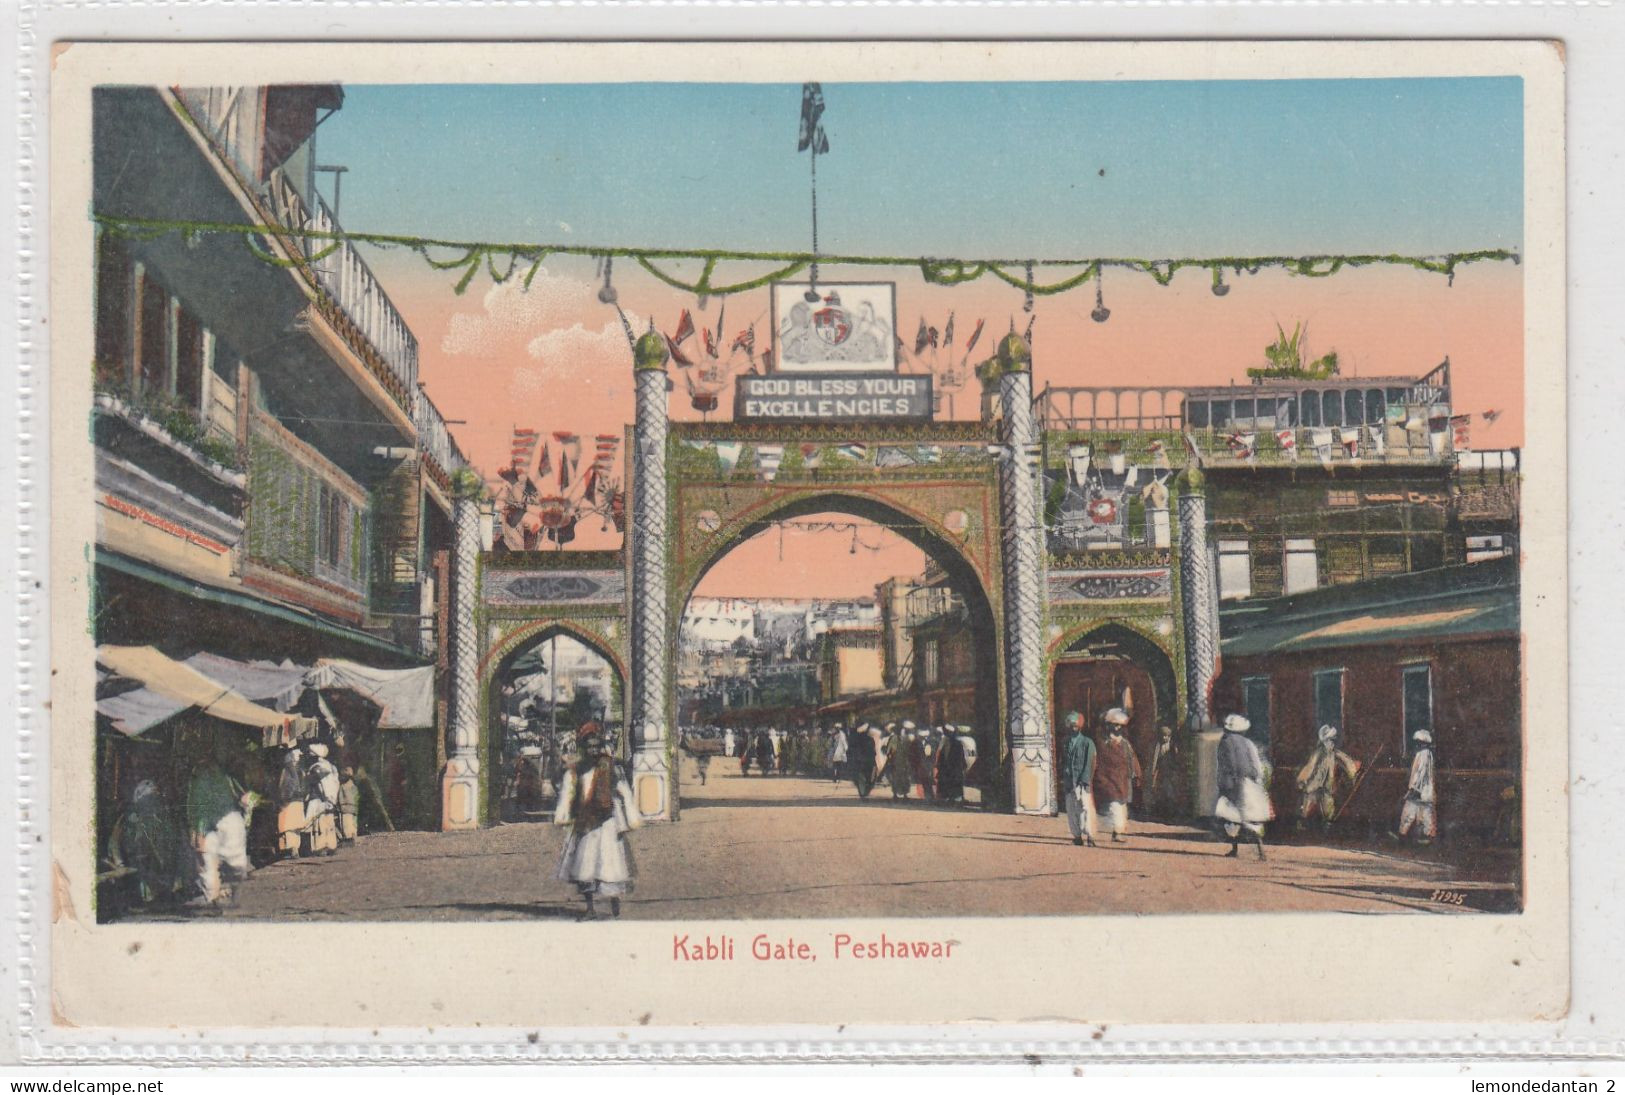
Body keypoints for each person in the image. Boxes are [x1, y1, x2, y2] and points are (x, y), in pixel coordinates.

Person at [553, 722, 638, 920]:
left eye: (595, 746)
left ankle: (613, 898)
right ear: (583, 747)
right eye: (588, 746)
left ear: (600, 746)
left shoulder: (610, 765)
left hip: (607, 822)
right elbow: (569, 792)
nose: (592, 749)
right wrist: (563, 814)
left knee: (609, 865)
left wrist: (629, 818)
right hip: (585, 822)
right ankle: (590, 909)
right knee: (585, 866)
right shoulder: (578, 768)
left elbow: (623, 791)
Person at [185, 755, 253, 911]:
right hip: (232, 820)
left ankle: (213, 899)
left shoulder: (199, 779)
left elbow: (200, 807)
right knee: (233, 862)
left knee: (207, 863)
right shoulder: (225, 776)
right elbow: (245, 798)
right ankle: (234, 896)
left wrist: (199, 831)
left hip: (211, 825)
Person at [110, 779, 178, 906]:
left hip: (150, 866)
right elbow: (116, 840)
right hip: (139, 864)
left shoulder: (162, 817)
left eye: (154, 798)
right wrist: (119, 863)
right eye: (149, 798)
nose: (151, 803)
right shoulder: (130, 817)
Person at [1214, 714, 1271, 860]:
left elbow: (1224, 766)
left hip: (1231, 784)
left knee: (1231, 817)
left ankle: (1235, 849)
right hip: (1248, 783)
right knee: (1252, 818)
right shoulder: (1248, 743)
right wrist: (1257, 780)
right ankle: (1261, 851)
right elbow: (1256, 764)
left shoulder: (1224, 742)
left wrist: (1223, 783)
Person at [1296, 724, 1360, 831]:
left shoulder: (1334, 753)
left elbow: (1345, 760)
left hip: (1328, 782)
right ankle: (1304, 821)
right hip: (1315, 781)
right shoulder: (1318, 753)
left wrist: (1353, 769)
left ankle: (1328, 823)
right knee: (1309, 800)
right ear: (1324, 741)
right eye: (1330, 740)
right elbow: (1310, 767)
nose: (1332, 743)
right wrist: (1302, 779)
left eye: (1332, 741)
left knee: (1328, 802)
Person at [1093, 709, 1143, 842]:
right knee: (1114, 806)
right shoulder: (1102, 743)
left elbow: (1132, 759)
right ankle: (1117, 832)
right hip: (1108, 779)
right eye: (1115, 725)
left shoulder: (1125, 743)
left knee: (1122, 806)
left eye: (1120, 725)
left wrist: (1136, 774)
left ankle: (1118, 831)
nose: (1117, 728)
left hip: (1123, 780)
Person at [1059, 711, 1098, 847]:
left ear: (1080, 727)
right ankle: (1077, 836)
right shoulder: (1065, 742)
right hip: (1069, 782)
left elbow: (1090, 762)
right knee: (1071, 810)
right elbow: (1062, 762)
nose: (1073, 728)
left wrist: (1085, 780)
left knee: (1085, 809)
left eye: (1075, 726)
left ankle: (1090, 837)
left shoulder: (1088, 743)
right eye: (1070, 726)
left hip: (1082, 782)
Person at [1395, 730, 1438, 845]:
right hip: (1424, 791)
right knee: (1425, 814)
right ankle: (1427, 836)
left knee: (1410, 812)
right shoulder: (1428, 754)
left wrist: (1414, 788)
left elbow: (1420, 772)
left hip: (1420, 790)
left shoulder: (1423, 754)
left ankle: (1403, 835)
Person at [304, 743, 340, 857]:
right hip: (329, 798)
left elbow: (322, 785)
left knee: (319, 823)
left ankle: (320, 846)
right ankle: (331, 844)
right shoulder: (330, 766)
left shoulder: (317, 768)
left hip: (319, 799)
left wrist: (326, 798)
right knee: (328, 822)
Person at [274, 746, 306, 859]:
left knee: (288, 826)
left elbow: (287, 786)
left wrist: (283, 798)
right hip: (299, 800)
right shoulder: (300, 769)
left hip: (290, 801)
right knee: (296, 826)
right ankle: (295, 848)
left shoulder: (287, 769)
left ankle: (291, 849)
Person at [1147, 726, 1179, 818]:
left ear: (1170, 736)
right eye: (1163, 736)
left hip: (1170, 772)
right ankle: (1161, 812)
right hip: (1162, 771)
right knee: (1160, 791)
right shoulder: (1158, 746)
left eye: (1166, 736)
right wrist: (1154, 771)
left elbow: (1176, 759)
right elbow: (1155, 759)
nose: (1164, 738)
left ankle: (1171, 813)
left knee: (1170, 792)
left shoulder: (1172, 746)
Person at [935, 727, 968, 803]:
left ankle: (954, 798)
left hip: (952, 768)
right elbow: (942, 756)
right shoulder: (946, 743)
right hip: (948, 768)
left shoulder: (956, 744)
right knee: (949, 784)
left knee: (953, 784)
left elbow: (960, 756)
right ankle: (950, 798)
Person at [885, 722, 914, 800]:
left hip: (898, 761)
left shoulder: (895, 738)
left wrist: (890, 758)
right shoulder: (906, 738)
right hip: (903, 760)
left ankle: (896, 794)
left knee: (897, 777)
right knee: (904, 777)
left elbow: (892, 750)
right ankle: (904, 794)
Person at [848, 722, 877, 798]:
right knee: (868, 778)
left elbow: (852, 749)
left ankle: (863, 793)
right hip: (868, 761)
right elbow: (873, 752)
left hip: (860, 761)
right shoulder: (870, 739)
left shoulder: (856, 739)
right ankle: (865, 792)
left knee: (861, 778)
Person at [336, 766, 361, 845]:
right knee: (352, 824)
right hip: (352, 808)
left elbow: (340, 798)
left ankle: (350, 838)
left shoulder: (343, 787)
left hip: (346, 808)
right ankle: (352, 837)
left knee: (347, 824)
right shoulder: (354, 787)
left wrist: (339, 806)